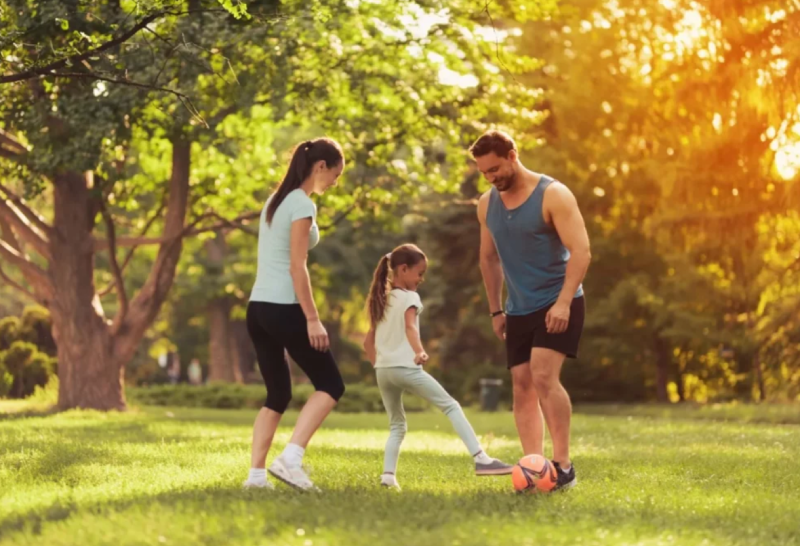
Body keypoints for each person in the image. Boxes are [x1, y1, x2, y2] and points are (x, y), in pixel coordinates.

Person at [472, 130, 591, 491]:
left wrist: (564, 302)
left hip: (558, 300)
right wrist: (496, 310)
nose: (491, 178)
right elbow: (488, 259)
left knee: (542, 375)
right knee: (521, 386)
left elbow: (582, 251)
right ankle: (535, 468)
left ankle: (564, 466)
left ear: (512, 155)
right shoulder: (486, 204)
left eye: (495, 169)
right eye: (484, 173)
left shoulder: (552, 195)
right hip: (518, 308)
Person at [364, 243, 513, 491]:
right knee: (451, 406)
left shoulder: (382, 299)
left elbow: (368, 341)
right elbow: (410, 327)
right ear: (402, 270)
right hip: (406, 368)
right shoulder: (410, 297)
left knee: (397, 425)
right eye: (419, 273)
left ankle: (388, 477)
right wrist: (419, 351)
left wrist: (379, 365)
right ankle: (481, 459)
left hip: (384, 371)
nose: (422, 279)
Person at [242, 138, 347, 491]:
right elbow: (297, 267)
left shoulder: (276, 201)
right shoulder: (301, 204)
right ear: (321, 167)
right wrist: (313, 319)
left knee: (277, 394)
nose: (335, 181)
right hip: (283, 308)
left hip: (258, 308)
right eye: (335, 174)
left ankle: (256, 477)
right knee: (331, 384)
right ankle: (291, 459)